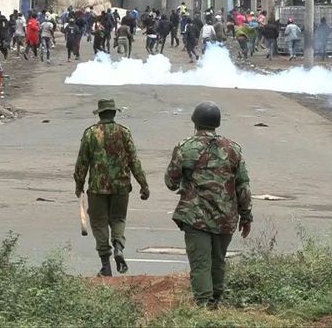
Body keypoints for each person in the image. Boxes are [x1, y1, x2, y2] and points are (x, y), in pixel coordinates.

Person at [165, 101, 252, 307]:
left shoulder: (185, 147)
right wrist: (246, 216)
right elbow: (243, 185)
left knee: (201, 262)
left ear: (195, 121)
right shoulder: (233, 149)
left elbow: (170, 182)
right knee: (218, 260)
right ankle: (216, 301)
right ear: (217, 123)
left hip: (196, 217)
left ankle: (204, 306)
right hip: (226, 216)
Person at [74, 99, 150, 277]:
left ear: (99, 114)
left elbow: (82, 163)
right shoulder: (124, 132)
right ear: (114, 113)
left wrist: (79, 185)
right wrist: (143, 184)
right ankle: (118, 246)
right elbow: (134, 161)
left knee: (99, 222)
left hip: (97, 188)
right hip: (121, 186)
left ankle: (105, 264)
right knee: (118, 219)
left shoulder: (90, 134)